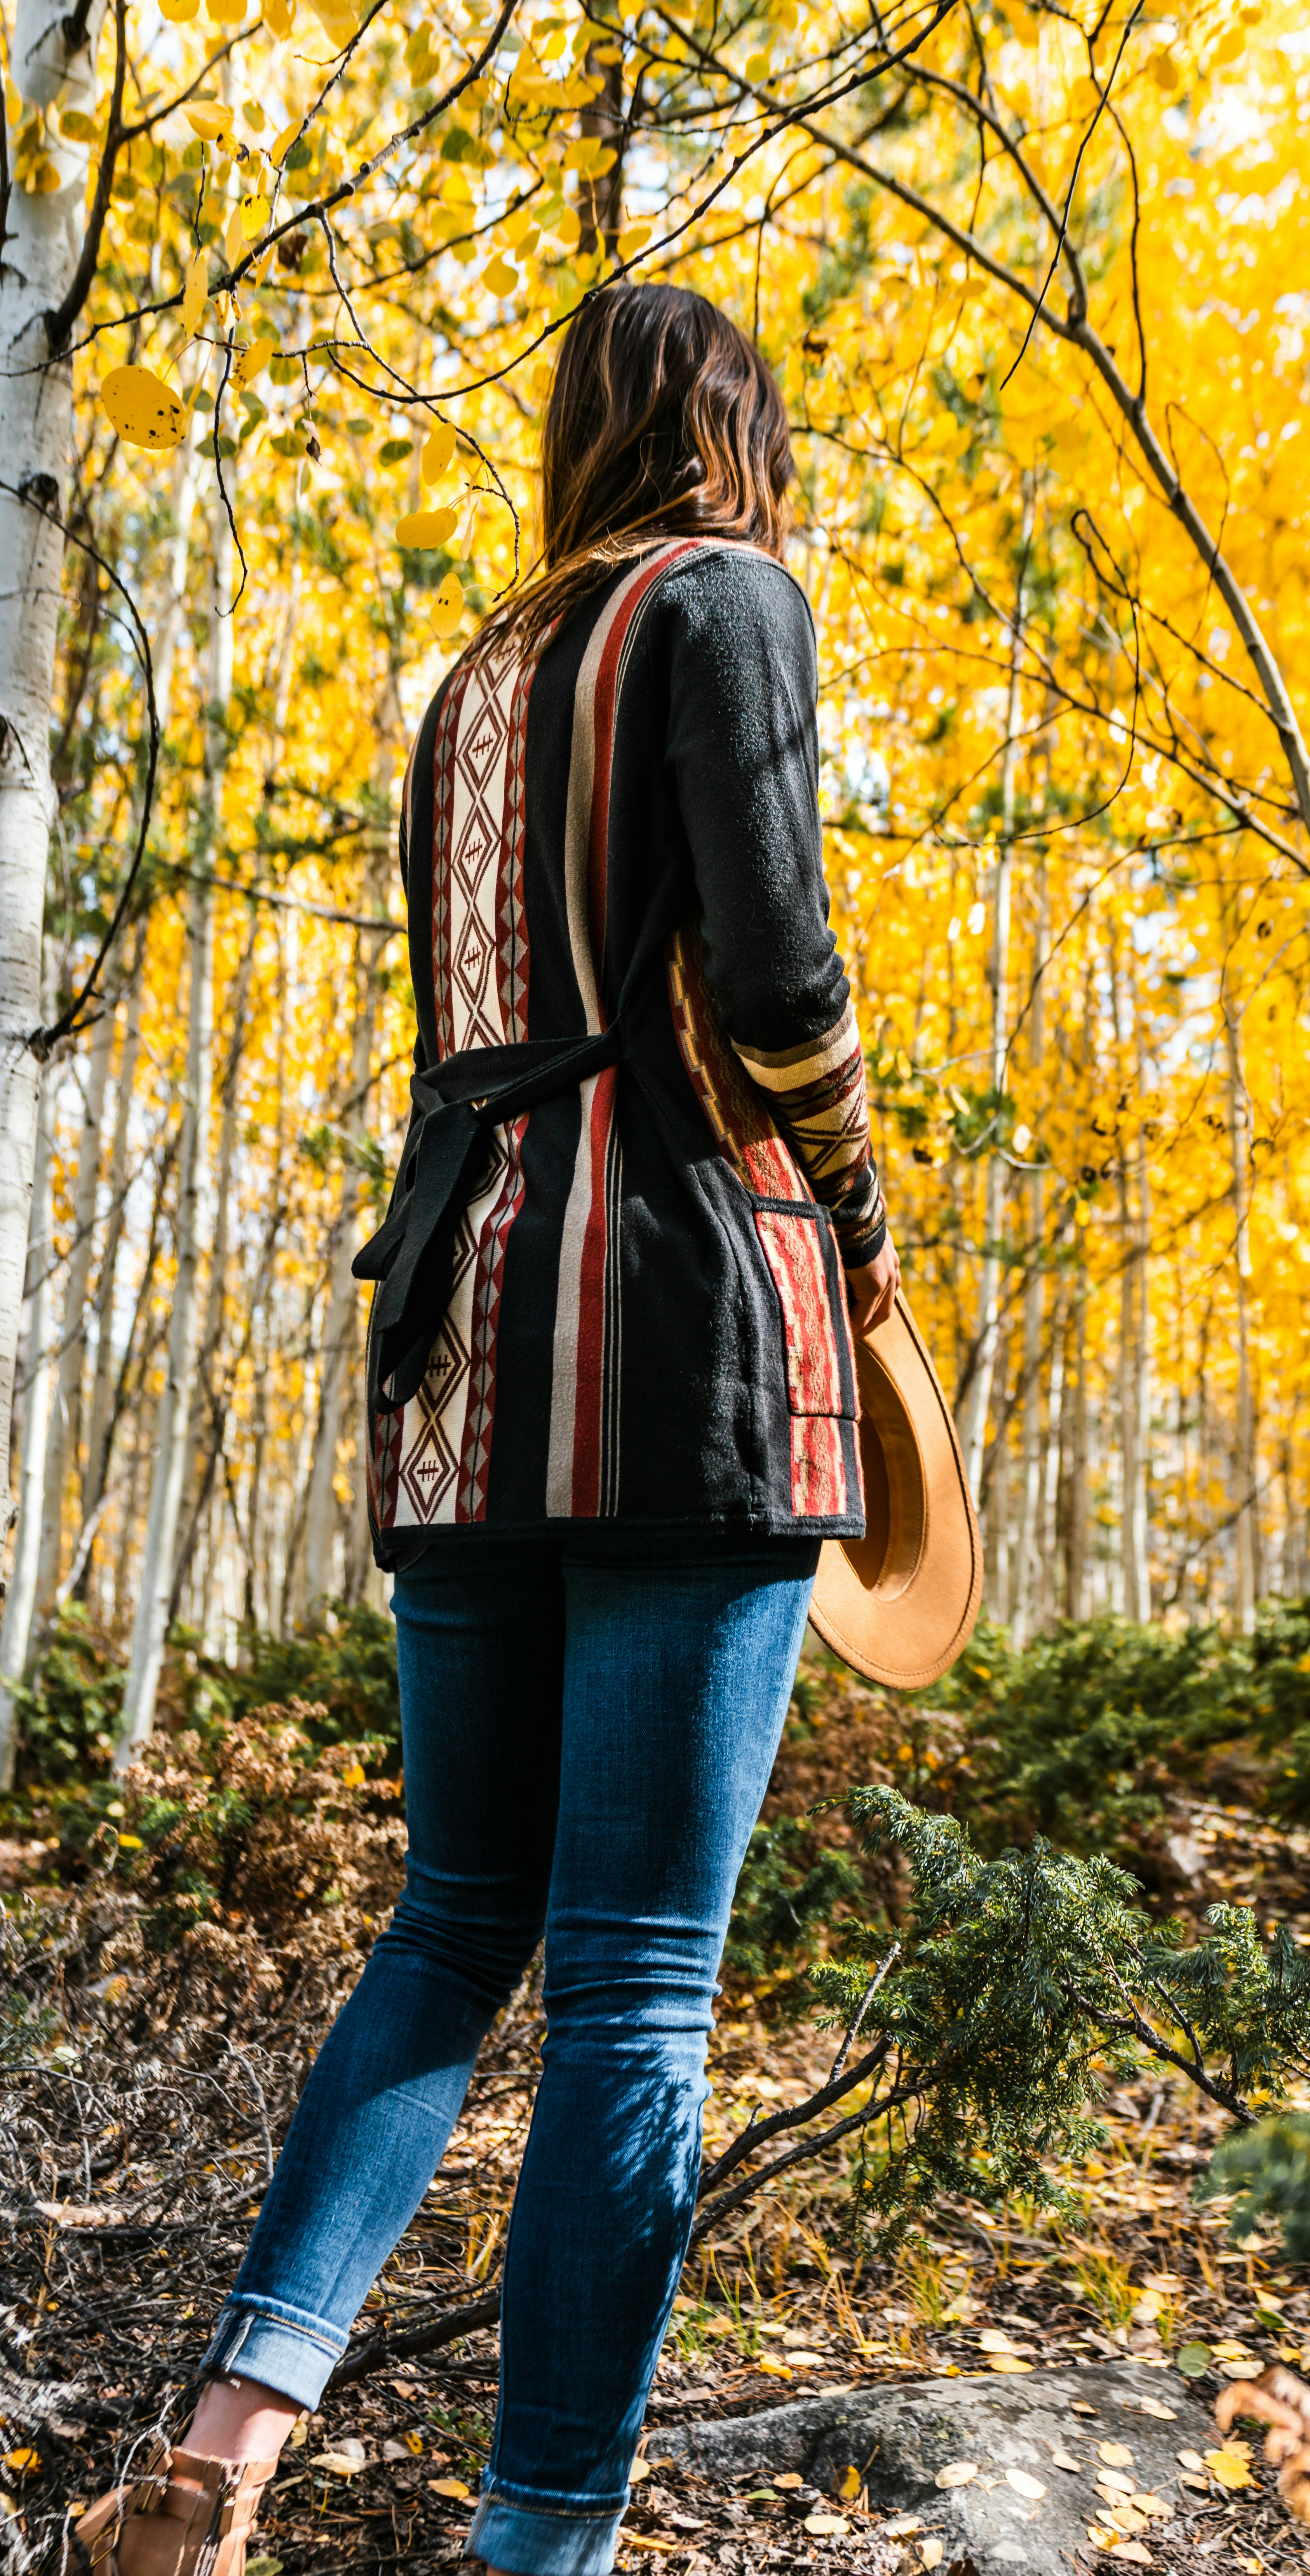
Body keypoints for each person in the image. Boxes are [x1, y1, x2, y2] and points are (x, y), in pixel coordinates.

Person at [69, 282, 899, 2576]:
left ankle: (230, 2440)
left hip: (461, 1330)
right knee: (635, 1972)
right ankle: (539, 2544)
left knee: (451, 1916)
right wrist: (853, 1183)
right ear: (729, 433)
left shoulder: (473, 676)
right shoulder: (726, 602)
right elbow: (771, 971)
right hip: (673, 1327)